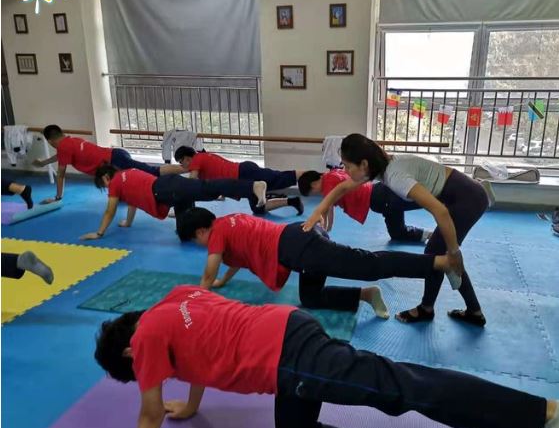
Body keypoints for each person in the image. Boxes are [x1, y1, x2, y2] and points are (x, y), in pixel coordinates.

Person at [94, 284, 559, 428]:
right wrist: (191, 406)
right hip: (287, 328)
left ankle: (545, 413)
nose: (151, 378)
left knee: (405, 386)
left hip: (289, 360)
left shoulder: (144, 341)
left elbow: (149, 413)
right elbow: (198, 354)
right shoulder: (171, 303)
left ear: (129, 355)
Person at [303, 133, 489, 326]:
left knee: (439, 255)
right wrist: (318, 212)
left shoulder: (395, 176)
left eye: (348, 166)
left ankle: (431, 309)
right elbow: (342, 188)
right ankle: (468, 311)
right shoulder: (380, 167)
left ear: (364, 164)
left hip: (467, 199)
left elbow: (440, 211)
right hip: (463, 193)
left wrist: (454, 252)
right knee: (437, 254)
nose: (345, 171)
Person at [176, 207, 460, 317]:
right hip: (300, 240)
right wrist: (224, 281)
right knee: (310, 298)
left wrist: (197, 298)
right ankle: (366, 295)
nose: (200, 245)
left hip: (301, 247)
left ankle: (439, 263)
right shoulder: (229, 222)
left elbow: (208, 272)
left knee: (369, 265)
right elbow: (237, 258)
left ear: (200, 232)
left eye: (195, 240)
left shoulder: (216, 234)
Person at [79, 166, 267, 241]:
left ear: (106, 177)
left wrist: (99, 233)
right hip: (168, 188)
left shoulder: (115, 183)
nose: (106, 188)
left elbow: (109, 211)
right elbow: (132, 202)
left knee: (207, 188)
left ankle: (252, 186)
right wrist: (128, 222)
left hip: (167, 190)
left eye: (103, 185)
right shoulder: (126, 174)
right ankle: (210, 230)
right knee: (184, 231)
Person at [34, 124, 177, 204]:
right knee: (143, 176)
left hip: (115, 161)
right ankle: (182, 170)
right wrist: (44, 163)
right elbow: (61, 156)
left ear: (50, 141)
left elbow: (60, 175)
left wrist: (58, 198)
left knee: (153, 172)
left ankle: (183, 169)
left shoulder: (63, 147)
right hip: (116, 154)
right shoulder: (71, 141)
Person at [298, 169, 431, 243]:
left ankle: (440, 201)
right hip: (380, 196)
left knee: (425, 201)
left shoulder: (327, 184)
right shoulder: (332, 174)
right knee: (397, 233)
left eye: (313, 192)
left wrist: (326, 230)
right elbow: (327, 207)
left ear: (313, 184)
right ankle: (429, 234)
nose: (317, 194)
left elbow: (328, 207)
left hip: (380, 198)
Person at [172, 146, 304, 215]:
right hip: (242, 175)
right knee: (258, 208)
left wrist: (179, 205)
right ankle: (292, 201)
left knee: (281, 178)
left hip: (243, 173)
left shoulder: (197, 159)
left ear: (187, 158)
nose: (182, 166)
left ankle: (311, 174)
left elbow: (191, 183)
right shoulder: (203, 158)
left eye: (181, 162)